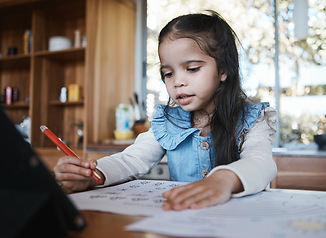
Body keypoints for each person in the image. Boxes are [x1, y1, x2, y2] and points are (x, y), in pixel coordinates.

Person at [54, 11, 277, 211]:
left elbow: (261, 162)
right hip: (185, 218)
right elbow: (131, 160)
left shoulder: (251, 118)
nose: (177, 81)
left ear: (223, 71)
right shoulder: (169, 122)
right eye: (168, 73)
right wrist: (94, 175)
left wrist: (224, 180)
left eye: (192, 69)